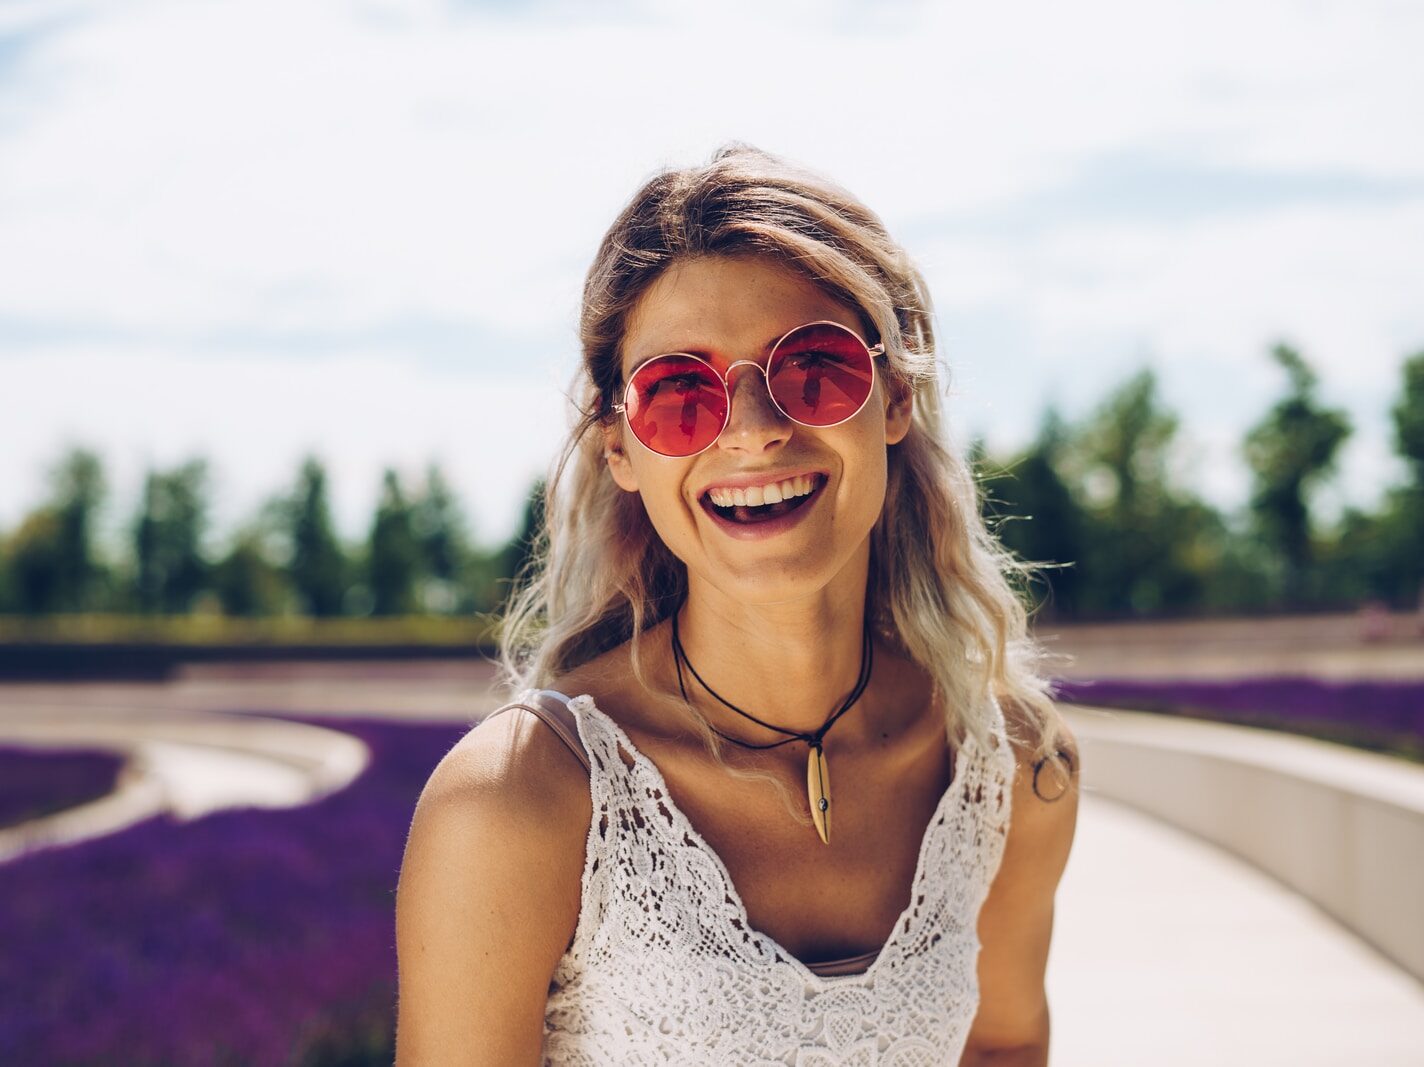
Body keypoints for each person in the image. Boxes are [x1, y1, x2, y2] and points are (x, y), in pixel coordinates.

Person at [395, 144, 1081, 1066]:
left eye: (815, 368)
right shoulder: (519, 800)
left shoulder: (1012, 770)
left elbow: (1005, 1043)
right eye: (682, 394)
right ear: (622, 450)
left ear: (893, 399)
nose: (754, 431)